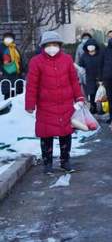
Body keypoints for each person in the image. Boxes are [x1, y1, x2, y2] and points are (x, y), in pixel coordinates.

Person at [25, 31, 84, 174]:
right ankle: (48, 164)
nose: (52, 47)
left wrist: (79, 97)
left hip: (65, 104)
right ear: (43, 46)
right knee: (46, 135)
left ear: (59, 45)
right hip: (46, 105)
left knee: (66, 134)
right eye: (49, 45)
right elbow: (32, 84)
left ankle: (65, 162)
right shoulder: (36, 61)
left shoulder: (67, 59)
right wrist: (30, 104)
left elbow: (74, 81)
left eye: (55, 44)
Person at [79, 38, 103, 114]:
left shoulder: (101, 54)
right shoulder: (84, 55)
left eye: (92, 46)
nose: (90, 47)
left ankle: (102, 108)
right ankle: (93, 107)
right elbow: (81, 65)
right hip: (89, 77)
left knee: (100, 93)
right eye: (89, 46)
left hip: (100, 77)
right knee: (91, 93)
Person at [0, 32, 24, 99]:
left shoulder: (14, 47)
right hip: (6, 74)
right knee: (8, 94)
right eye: (6, 37)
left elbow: (20, 60)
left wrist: (22, 70)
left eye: (10, 38)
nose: (8, 39)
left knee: (17, 95)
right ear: (3, 38)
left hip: (17, 74)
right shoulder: (1, 47)